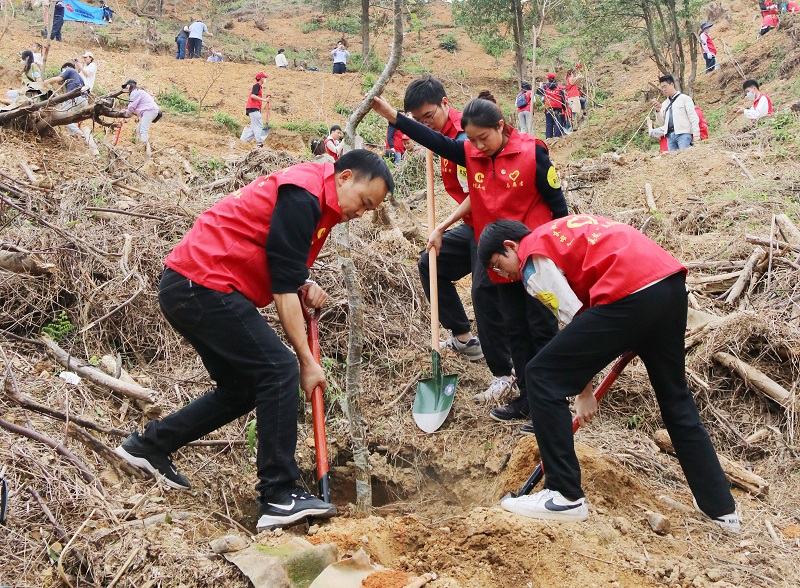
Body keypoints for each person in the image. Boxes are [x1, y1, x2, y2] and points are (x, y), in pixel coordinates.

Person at [114, 150, 394, 531]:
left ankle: (148, 446)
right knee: (279, 369)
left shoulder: (314, 197)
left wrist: (303, 281)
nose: (361, 213)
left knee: (242, 388)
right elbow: (281, 290)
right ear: (344, 177)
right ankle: (278, 494)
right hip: (201, 284)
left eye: (370, 210)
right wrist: (308, 363)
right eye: (364, 203)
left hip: (193, 285)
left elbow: (281, 260)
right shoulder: (305, 195)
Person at [477, 217, 740, 532]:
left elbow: (574, 319)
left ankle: (563, 495)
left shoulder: (533, 263)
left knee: (540, 374)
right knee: (676, 398)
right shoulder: (563, 230)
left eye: (498, 264)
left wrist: (583, 392)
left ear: (510, 246)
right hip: (668, 286)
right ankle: (721, 509)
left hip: (629, 296)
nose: (503, 274)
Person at [371, 93, 567, 422]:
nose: (478, 145)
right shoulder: (470, 153)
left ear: (501, 127)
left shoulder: (533, 154)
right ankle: (527, 397)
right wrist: (394, 117)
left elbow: (558, 207)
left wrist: (560, 253)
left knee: (540, 327)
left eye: (483, 137)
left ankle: (553, 401)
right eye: (472, 139)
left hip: (534, 257)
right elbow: (431, 138)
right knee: (516, 329)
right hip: (499, 263)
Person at [397, 77, 516, 403]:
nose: (425, 124)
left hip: (491, 226)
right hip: (471, 224)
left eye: (429, 116)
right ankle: (464, 337)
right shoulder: (440, 137)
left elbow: (479, 192)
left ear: (446, 104)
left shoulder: (467, 137)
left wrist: (442, 225)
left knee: (483, 290)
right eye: (418, 121)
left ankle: (505, 374)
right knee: (431, 263)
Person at [652, 74, 699, 151]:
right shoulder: (664, 104)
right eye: (662, 87)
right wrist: (658, 111)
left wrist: (696, 134)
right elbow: (661, 123)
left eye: (665, 86)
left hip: (683, 134)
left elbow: (693, 117)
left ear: (672, 84)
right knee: (674, 161)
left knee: (684, 157)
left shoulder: (685, 98)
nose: (664, 89)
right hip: (670, 137)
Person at [121, 79, 161, 157]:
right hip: (151, 111)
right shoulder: (139, 91)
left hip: (149, 111)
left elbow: (132, 106)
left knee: (143, 130)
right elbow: (135, 107)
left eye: (126, 85)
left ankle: (145, 150)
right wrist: (127, 110)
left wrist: (127, 112)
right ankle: (144, 146)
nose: (126, 87)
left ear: (130, 85)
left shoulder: (134, 92)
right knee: (139, 129)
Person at [240, 72, 270, 149]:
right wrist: (264, 100)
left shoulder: (259, 86)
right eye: (264, 78)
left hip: (252, 108)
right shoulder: (257, 85)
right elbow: (253, 96)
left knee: (254, 127)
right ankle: (259, 143)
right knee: (259, 126)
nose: (265, 79)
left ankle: (244, 142)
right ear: (260, 78)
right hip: (253, 108)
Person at [540, 73, 568, 139]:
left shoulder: (545, 87)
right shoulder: (559, 87)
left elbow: (540, 94)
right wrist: (564, 108)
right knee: (557, 121)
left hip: (548, 107)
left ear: (548, 79)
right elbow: (563, 98)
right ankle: (557, 136)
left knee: (549, 122)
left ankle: (548, 137)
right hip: (558, 107)